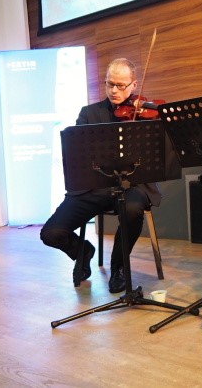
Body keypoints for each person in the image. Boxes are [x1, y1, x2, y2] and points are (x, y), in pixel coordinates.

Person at [40, 58, 163, 294]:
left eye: (121, 85)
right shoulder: (88, 114)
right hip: (93, 187)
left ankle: (118, 268)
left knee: (132, 209)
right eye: (110, 84)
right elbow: (78, 154)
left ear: (133, 85)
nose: (114, 90)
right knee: (51, 233)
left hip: (132, 185)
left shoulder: (145, 113)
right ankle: (83, 251)